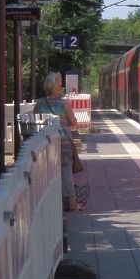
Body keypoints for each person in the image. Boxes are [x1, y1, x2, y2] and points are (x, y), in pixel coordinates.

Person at [36, 72, 82, 212]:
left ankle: (52, 202)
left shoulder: (40, 103)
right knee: (66, 172)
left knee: (47, 172)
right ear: (58, 86)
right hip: (63, 144)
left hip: (45, 143)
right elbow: (73, 122)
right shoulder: (64, 103)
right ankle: (72, 203)